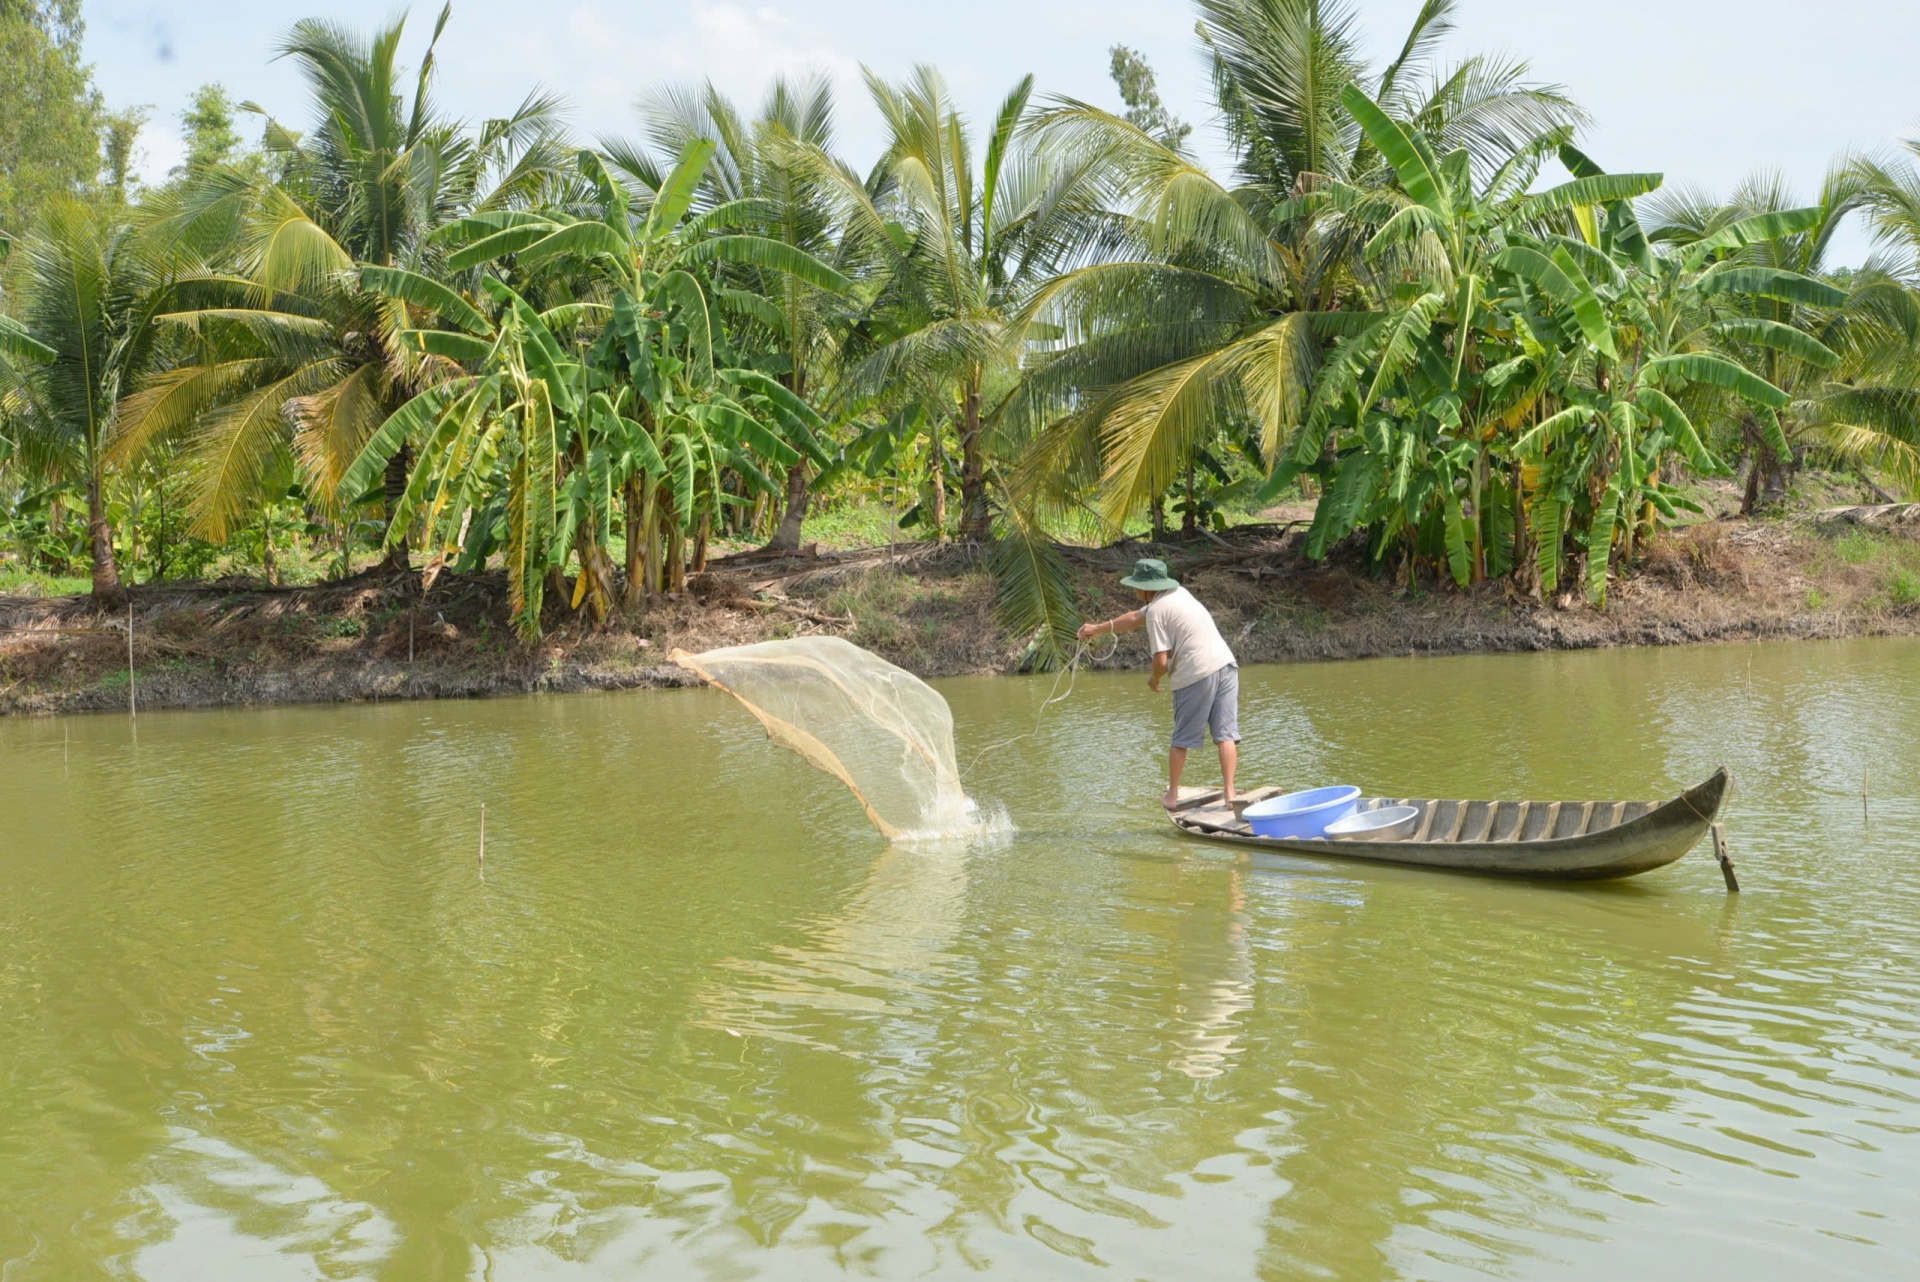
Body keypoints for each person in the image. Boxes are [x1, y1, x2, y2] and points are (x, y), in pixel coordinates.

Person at [1078, 558, 1239, 810]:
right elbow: (1134, 618)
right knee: (1225, 735)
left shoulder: (1156, 612)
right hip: (1226, 665)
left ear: (1147, 588)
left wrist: (1153, 680)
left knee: (1181, 739)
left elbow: (1161, 662)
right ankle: (1230, 795)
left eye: (1136, 585)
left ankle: (1172, 796)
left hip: (1196, 673)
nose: (1134, 589)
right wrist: (1097, 629)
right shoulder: (1179, 593)